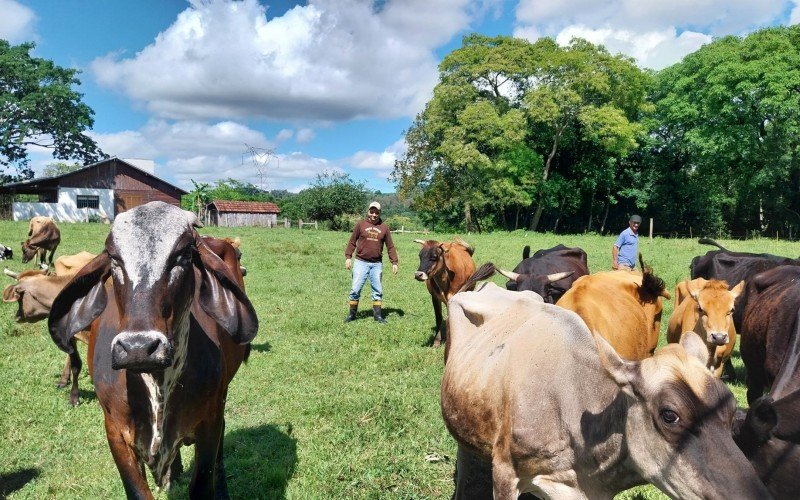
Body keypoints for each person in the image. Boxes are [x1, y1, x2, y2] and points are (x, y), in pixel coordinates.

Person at [344, 201, 398, 323]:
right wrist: (348, 257)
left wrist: (394, 262)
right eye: (372, 212)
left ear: (379, 213)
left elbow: (390, 246)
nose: (374, 214)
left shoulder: (384, 227)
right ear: (368, 211)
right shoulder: (360, 224)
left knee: (377, 290)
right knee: (355, 289)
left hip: (376, 264)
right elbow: (352, 241)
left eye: (376, 212)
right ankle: (352, 315)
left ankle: (378, 316)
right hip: (360, 262)